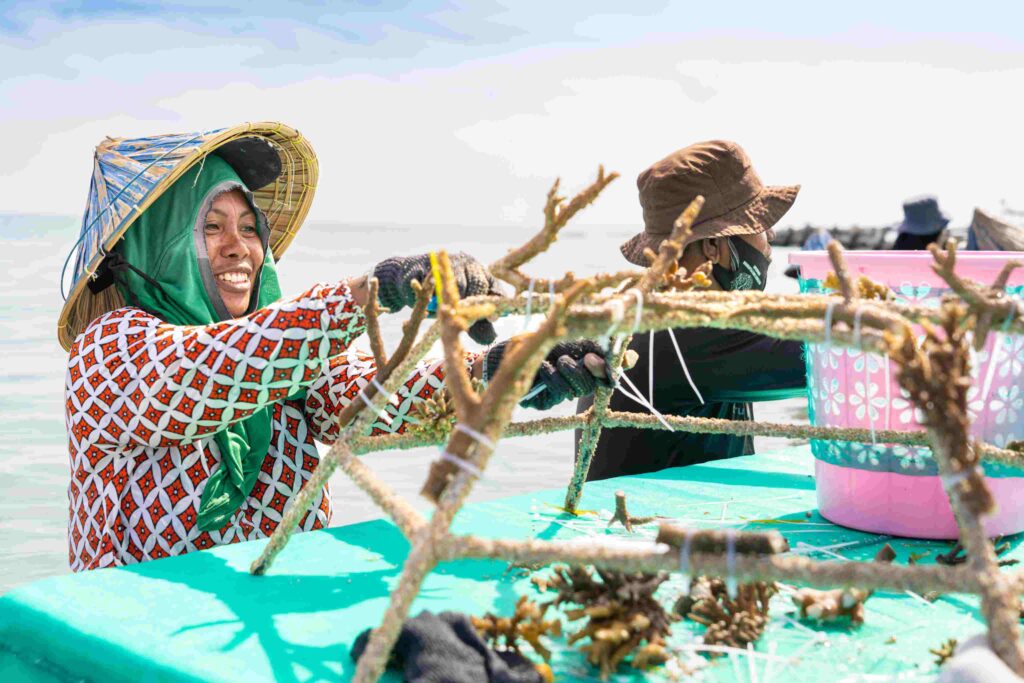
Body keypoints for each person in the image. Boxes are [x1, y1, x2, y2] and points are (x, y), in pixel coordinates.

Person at [60, 123, 607, 571]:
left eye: (251, 229)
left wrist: (498, 371)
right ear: (159, 248)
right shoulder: (107, 353)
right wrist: (382, 288)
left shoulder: (283, 350)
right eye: (209, 228)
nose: (239, 249)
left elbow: (364, 396)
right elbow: (211, 371)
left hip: (264, 615)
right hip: (135, 631)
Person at [577, 140, 807, 480]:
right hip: (648, 529)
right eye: (760, 225)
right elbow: (838, 355)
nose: (769, 237)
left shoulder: (647, 312)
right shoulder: (690, 329)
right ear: (714, 245)